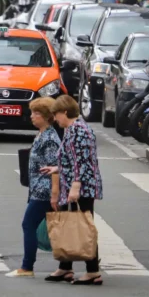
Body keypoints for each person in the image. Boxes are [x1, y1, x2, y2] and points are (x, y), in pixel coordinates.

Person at [40, 95, 104, 285]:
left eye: (56, 114)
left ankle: (93, 271)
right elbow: (71, 159)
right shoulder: (71, 129)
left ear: (65, 112)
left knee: (83, 227)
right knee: (69, 224)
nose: (55, 119)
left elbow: (82, 162)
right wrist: (57, 169)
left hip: (81, 187)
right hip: (74, 185)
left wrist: (75, 187)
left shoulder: (78, 130)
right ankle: (65, 267)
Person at [6, 97, 60, 278]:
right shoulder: (42, 134)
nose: (32, 117)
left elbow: (55, 168)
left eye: (36, 113)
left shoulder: (50, 138)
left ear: (46, 116)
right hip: (38, 188)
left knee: (28, 224)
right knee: (43, 226)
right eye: (32, 113)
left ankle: (27, 267)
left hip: (44, 191)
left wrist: (54, 194)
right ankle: (67, 264)